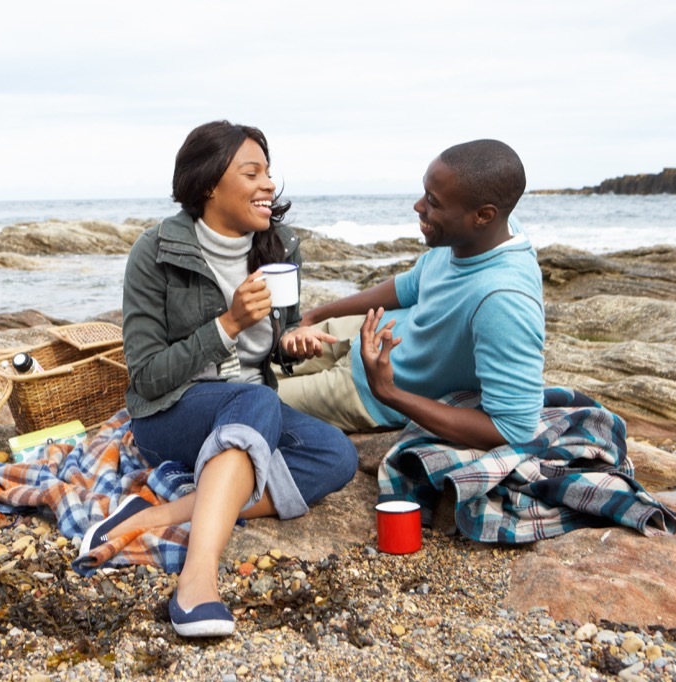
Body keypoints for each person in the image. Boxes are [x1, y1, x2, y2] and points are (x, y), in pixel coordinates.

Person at [78, 120, 358, 638]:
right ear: (209, 184)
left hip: (248, 407)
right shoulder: (156, 251)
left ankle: (149, 516)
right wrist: (227, 325)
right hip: (170, 414)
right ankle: (198, 580)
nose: (268, 184)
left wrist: (291, 344)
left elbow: (277, 340)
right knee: (255, 404)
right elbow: (145, 375)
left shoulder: (280, 246)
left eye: (269, 173)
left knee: (335, 455)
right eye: (251, 172)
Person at [277, 139, 544, 452]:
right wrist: (317, 315)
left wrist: (388, 392)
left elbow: (513, 428)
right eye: (424, 193)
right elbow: (409, 286)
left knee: (249, 397)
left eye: (433, 201)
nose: (418, 206)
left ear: (484, 216)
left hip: (363, 392)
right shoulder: (490, 232)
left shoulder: (503, 301)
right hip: (366, 333)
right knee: (244, 359)